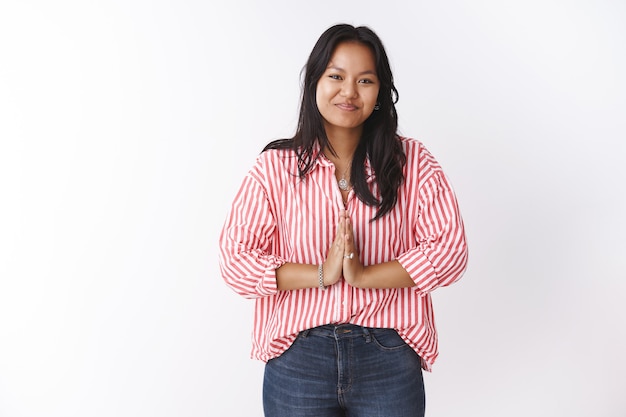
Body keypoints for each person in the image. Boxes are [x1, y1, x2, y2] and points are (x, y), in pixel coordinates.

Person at [218, 23, 468, 417]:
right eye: (336, 76)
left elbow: (450, 251)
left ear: (381, 91)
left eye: (364, 80)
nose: (349, 92)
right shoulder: (274, 169)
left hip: (388, 354)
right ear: (314, 81)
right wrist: (322, 273)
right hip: (298, 357)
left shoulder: (413, 163)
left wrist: (366, 276)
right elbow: (235, 262)